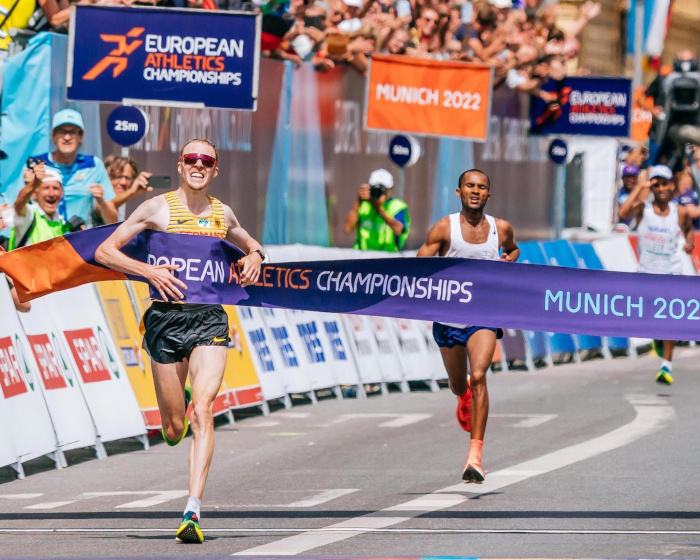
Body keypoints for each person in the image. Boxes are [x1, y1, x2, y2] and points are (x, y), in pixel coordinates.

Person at [95, 139, 266, 544]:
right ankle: (179, 410)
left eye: (206, 161)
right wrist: (147, 272)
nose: (198, 165)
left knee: (203, 410)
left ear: (215, 170)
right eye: (192, 159)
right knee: (174, 428)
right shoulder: (157, 207)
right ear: (181, 164)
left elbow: (243, 236)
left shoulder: (221, 212)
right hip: (165, 321)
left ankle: (192, 510)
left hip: (209, 320)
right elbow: (105, 251)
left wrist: (257, 252)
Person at [417, 169, 519, 483]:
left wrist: (509, 261)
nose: (476, 191)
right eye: (470, 186)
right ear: (459, 191)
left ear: (489, 195)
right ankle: (463, 398)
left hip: (483, 315)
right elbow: (420, 260)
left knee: (478, 375)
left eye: (482, 187)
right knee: (460, 385)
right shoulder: (444, 227)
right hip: (448, 318)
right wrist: (433, 268)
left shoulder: (499, 229)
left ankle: (474, 456)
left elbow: (514, 249)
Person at [618, 164, 694, 385]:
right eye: (656, 184)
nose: (661, 188)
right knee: (651, 320)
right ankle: (658, 338)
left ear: (672, 186)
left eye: (665, 184)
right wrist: (640, 186)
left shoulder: (679, 212)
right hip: (646, 273)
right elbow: (622, 214)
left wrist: (689, 243)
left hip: (671, 272)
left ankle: (666, 367)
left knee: (669, 319)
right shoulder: (643, 209)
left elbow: (689, 228)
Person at [29, 108, 118, 227]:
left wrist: (101, 201)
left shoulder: (93, 165)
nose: (67, 137)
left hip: (77, 241)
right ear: (53, 136)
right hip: (41, 241)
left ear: (81, 136)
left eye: (73, 132)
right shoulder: (37, 164)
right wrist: (31, 185)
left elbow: (112, 221)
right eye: (62, 131)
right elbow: (18, 207)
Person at [344, 168, 410, 252]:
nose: (379, 192)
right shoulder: (363, 205)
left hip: (388, 258)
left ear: (390, 190)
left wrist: (379, 209)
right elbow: (347, 228)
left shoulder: (397, 206)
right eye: (375, 189)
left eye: (383, 189)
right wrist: (358, 202)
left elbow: (398, 230)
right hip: (362, 257)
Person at [8, 165, 73, 250]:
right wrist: (35, 182)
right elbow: (18, 205)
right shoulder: (29, 214)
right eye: (46, 188)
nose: (51, 194)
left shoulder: (61, 222)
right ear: (35, 194)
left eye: (55, 188)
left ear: (62, 193)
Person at [91, 155, 153, 225]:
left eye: (127, 178)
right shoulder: (96, 197)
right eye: (118, 177)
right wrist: (132, 192)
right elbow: (104, 205)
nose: (123, 182)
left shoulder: (124, 203)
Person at [615, 164, 641, 231]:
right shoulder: (618, 195)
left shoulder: (640, 194)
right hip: (620, 229)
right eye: (627, 177)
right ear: (622, 178)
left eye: (633, 177)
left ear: (637, 178)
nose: (630, 180)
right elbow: (621, 214)